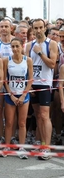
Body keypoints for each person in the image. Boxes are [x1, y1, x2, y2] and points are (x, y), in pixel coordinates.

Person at [25, 19, 58, 160]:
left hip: (45, 84)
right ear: (32, 29)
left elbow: (52, 64)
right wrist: (28, 84)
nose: (38, 31)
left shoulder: (51, 44)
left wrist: (39, 53)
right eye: (35, 28)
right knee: (37, 115)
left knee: (45, 115)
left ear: (45, 28)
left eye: (40, 27)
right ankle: (41, 142)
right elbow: (25, 67)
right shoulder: (28, 45)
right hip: (33, 84)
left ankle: (47, 147)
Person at [3, 38, 33, 159]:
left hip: (23, 95)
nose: (15, 49)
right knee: (9, 122)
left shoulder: (28, 60)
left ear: (22, 47)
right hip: (11, 95)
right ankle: (7, 146)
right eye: (13, 47)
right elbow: (4, 80)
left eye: (17, 46)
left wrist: (24, 95)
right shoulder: (7, 60)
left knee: (22, 122)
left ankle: (21, 147)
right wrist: (11, 95)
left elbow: (30, 80)